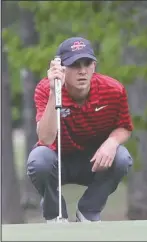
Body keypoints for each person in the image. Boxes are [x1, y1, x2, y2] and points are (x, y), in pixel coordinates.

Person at [27, 37, 134, 223]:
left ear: (94, 66)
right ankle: (55, 212)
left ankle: (89, 210)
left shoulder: (114, 90)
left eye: (87, 63)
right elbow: (45, 138)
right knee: (38, 160)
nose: (82, 71)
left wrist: (111, 142)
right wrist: (54, 92)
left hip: (93, 162)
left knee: (122, 157)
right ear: (61, 68)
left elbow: (124, 126)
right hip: (57, 162)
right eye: (75, 65)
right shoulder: (45, 89)